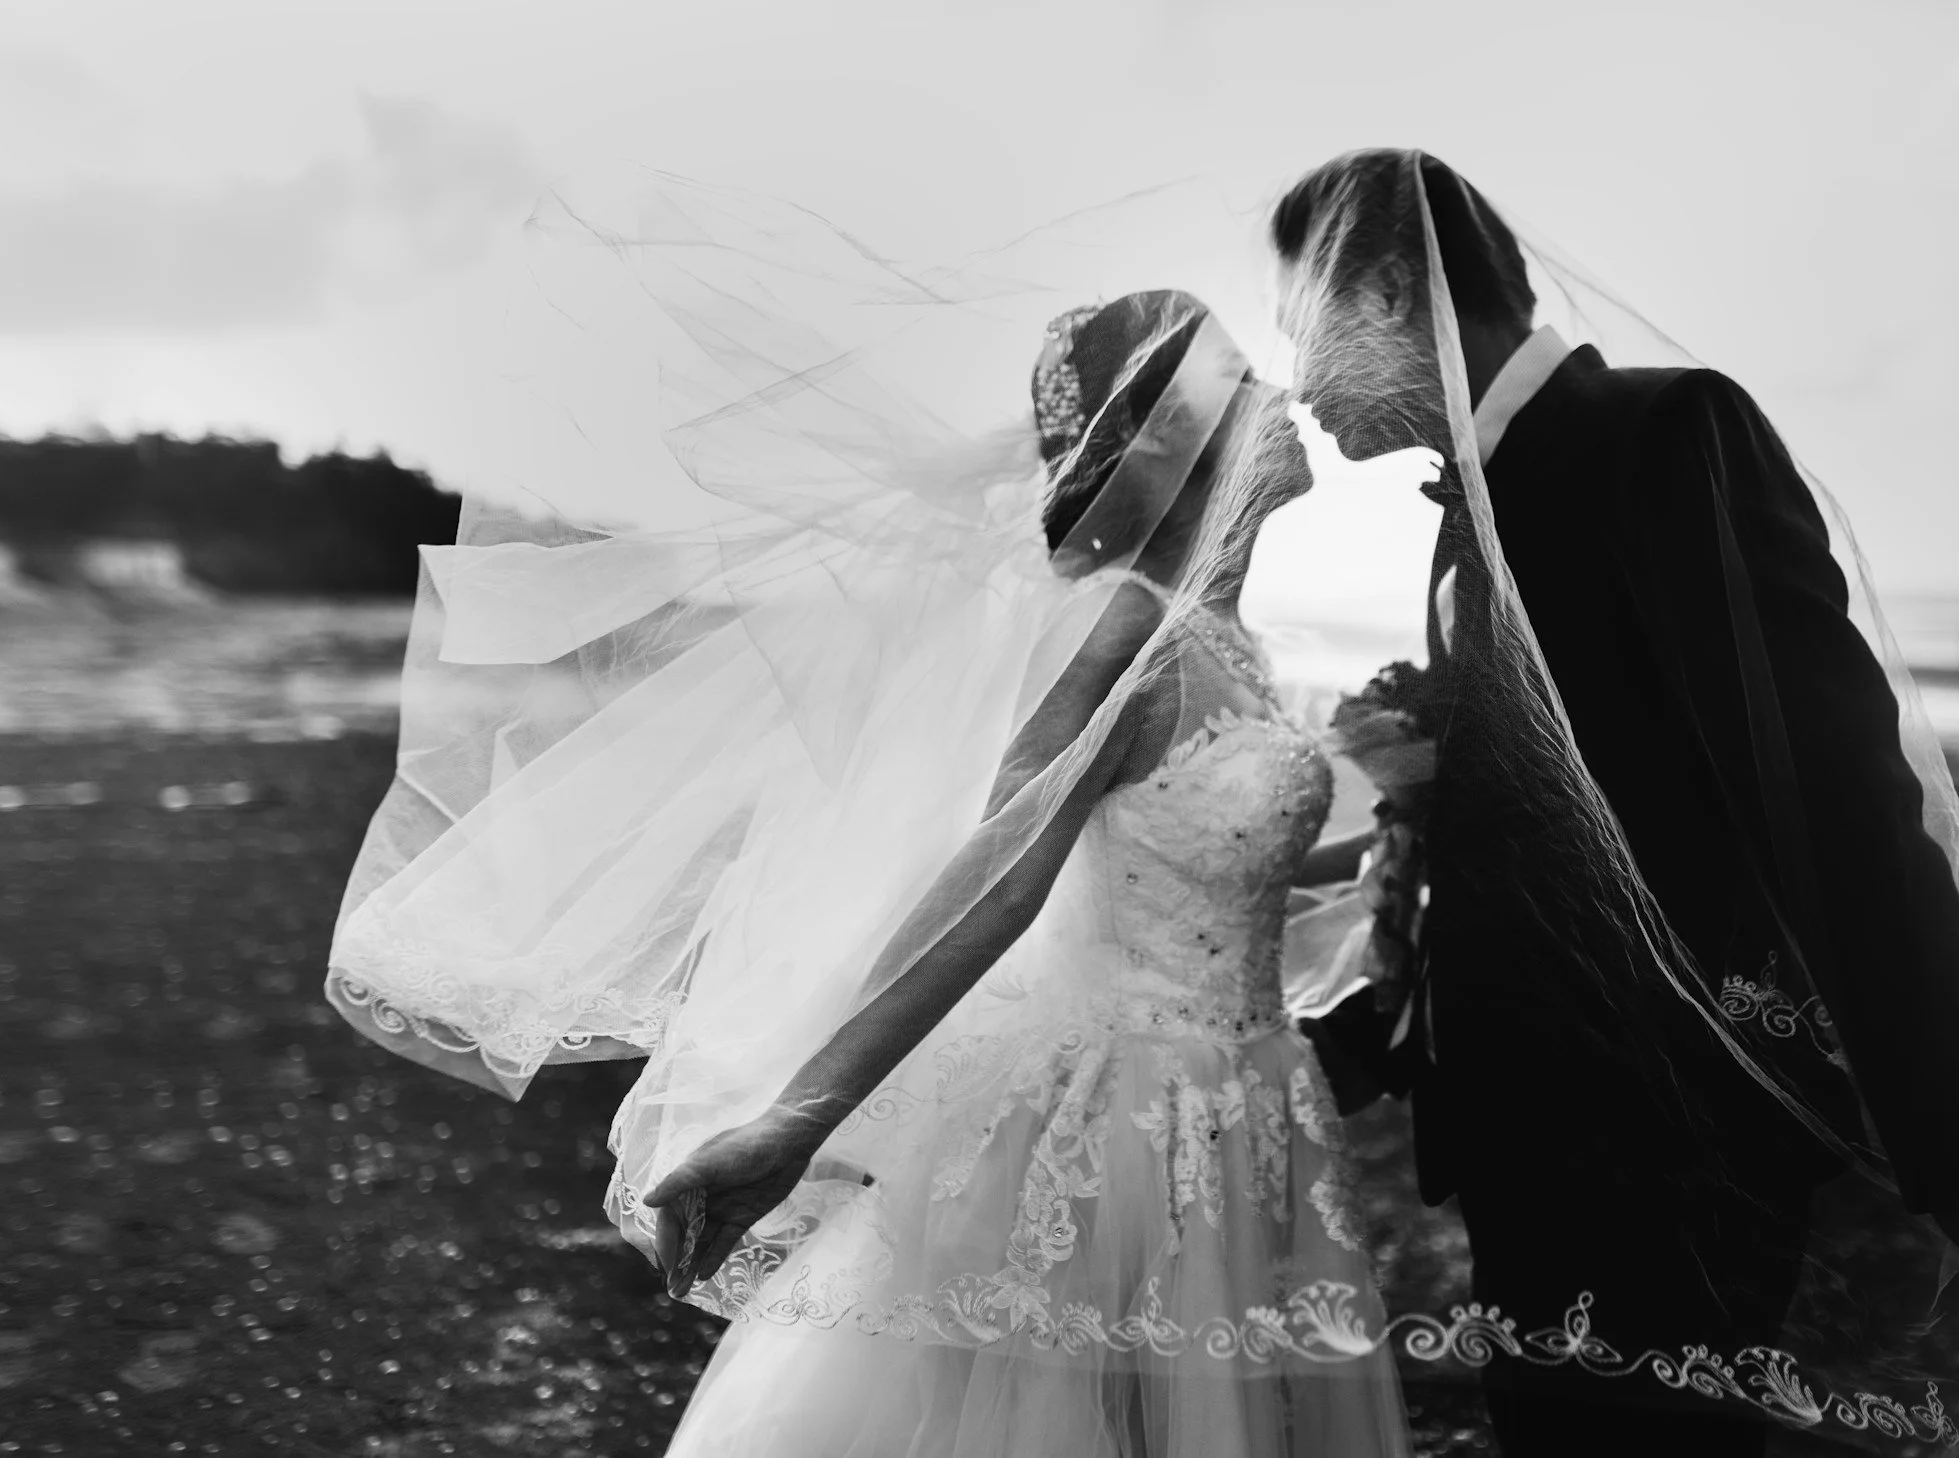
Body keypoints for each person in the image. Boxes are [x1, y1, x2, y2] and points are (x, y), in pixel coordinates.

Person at [328, 181, 1413, 1457]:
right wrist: (800, 1115)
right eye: (1244, 386)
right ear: (1176, 442)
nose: (1284, 401)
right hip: (1118, 1118)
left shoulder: (1231, 641)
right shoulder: (1124, 630)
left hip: (1240, 1101)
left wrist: (1393, 842)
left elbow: (1188, 873)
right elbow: (997, 876)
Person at [1271, 148, 1959, 1455]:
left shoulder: (1662, 436)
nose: (1302, 379)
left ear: (1394, 290)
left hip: (1678, 1148)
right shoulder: (1471, 514)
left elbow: (1839, 792)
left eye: (1307, 324)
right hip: (1536, 1135)